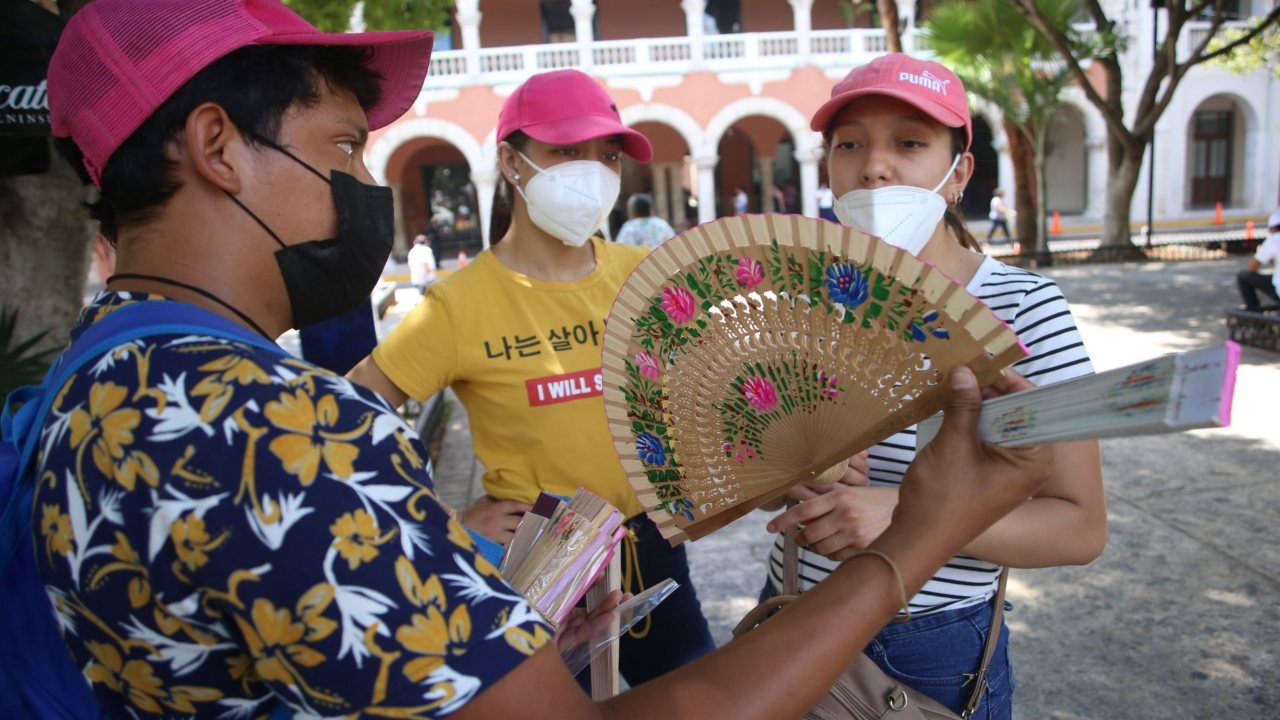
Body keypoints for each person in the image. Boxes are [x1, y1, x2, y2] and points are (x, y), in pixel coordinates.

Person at [18, 4, 1059, 716]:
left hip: (619, 573)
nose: (361, 188)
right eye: (341, 150)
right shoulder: (274, 430)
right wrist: (914, 539)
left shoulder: (86, 385)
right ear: (215, 145)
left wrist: (442, 571)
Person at [757, 53, 1107, 719]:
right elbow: (765, 480)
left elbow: (1079, 526)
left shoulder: (1025, 309)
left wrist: (911, 516)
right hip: (790, 606)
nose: (874, 165)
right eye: (849, 144)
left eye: (910, 143)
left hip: (923, 646)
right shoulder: (806, 298)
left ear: (959, 173)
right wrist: (794, 473)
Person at [347, 68, 717, 688]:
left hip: (651, 545)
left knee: (701, 700)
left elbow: (710, 382)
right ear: (512, 163)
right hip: (542, 562)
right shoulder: (457, 306)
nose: (592, 171)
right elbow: (340, 418)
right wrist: (445, 523)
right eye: (567, 151)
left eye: (607, 155)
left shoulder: (649, 273)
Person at [1237, 209, 1280, 311]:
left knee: (1243, 276)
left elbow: (1252, 267)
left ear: (1272, 228)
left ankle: (1254, 311)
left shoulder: (1274, 240)